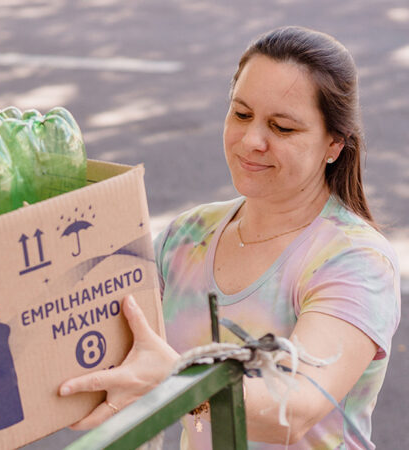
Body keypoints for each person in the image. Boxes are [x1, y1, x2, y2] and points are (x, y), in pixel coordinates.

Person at [59, 26, 401, 449]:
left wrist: (171, 381)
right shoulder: (186, 238)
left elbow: (291, 411)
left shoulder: (355, 260)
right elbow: (100, 344)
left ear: (334, 144)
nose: (252, 140)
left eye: (282, 128)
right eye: (241, 114)